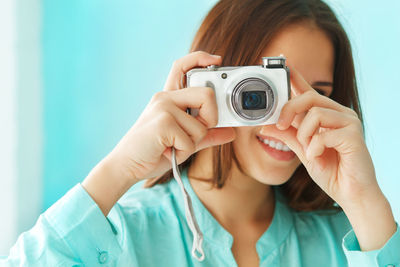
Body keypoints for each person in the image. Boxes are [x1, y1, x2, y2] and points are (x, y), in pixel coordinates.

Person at [2, 0, 399, 266]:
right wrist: (120, 168)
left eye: (317, 96)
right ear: (212, 82)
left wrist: (365, 201)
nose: (290, 117)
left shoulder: (352, 238)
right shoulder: (124, 235)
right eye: (267, 90)